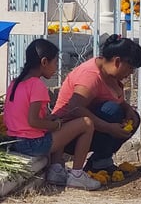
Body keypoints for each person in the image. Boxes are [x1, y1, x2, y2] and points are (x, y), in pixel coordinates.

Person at [3, 38, 101, 190]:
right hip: (33, 144)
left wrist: (51, 120)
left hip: (16, 141)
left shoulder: (15, 82)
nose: (56, 68)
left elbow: (24, 118)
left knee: (60, 120)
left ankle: (56, 170)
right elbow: (34, 121)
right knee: (86, 123)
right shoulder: (36, 85)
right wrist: (55, 125)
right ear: (44, 62)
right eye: (55, 63)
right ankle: (77, 175)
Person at [52, 34, 141, 173]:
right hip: (68, 134)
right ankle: (95, 165)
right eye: (130, 68)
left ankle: (100, 162)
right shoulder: (90, 76)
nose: (131, 73)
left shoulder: (110, 75)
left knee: (133, 118)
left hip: (91, 128)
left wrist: (127, 109)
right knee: (113, 111)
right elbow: (75, 108)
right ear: (117, 61)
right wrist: (109, 127)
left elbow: (115, 98)